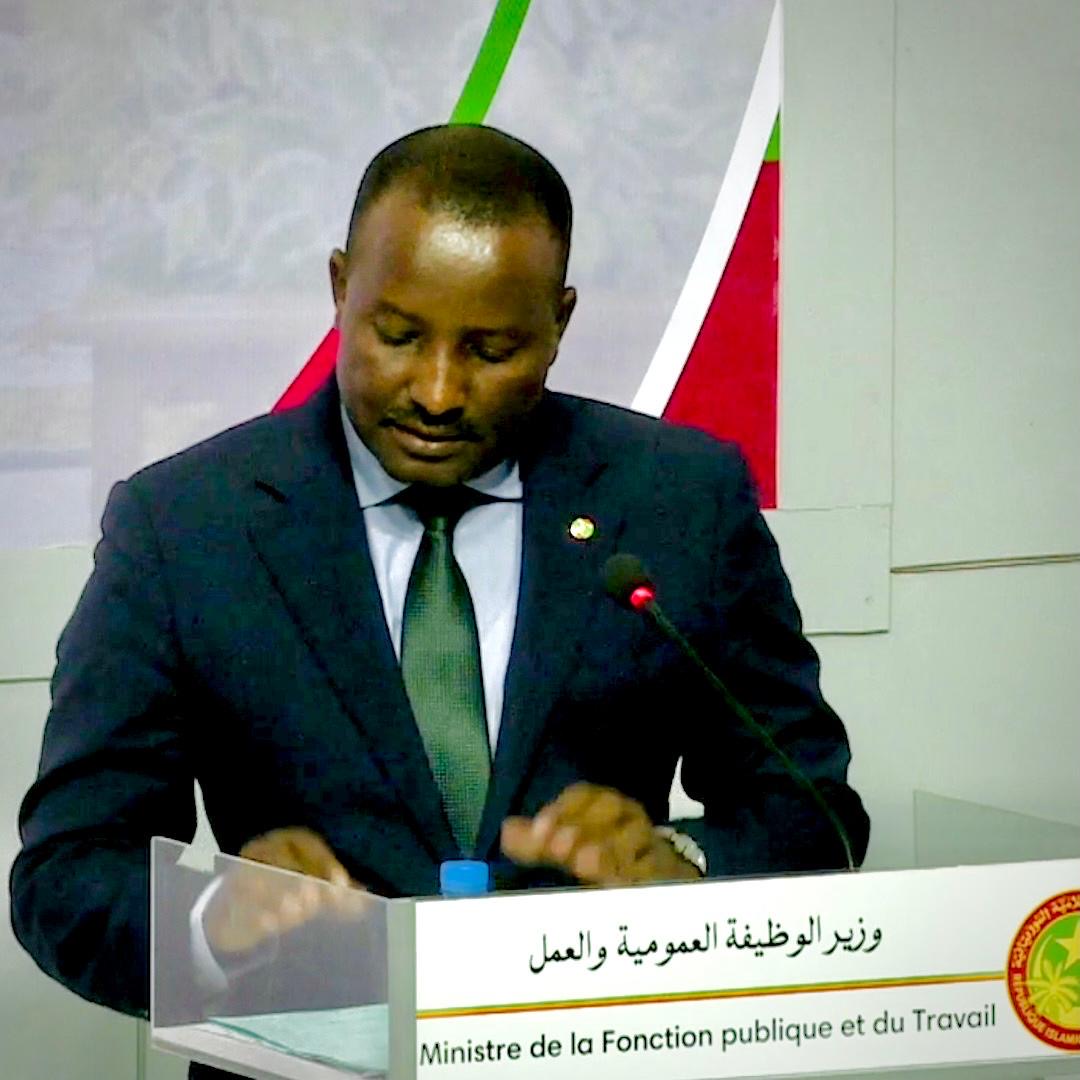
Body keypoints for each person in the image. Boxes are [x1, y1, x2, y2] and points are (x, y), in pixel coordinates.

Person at [10, 124, 869, 1075]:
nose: (438, 391)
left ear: (559, 323)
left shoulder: (679, 500)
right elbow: (69, 871)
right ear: (340, 288)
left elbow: (813, 812)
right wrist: (212, 919)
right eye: (398, 336)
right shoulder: (185, 526)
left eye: (491, 349)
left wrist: (685, 868)